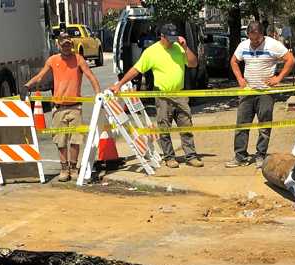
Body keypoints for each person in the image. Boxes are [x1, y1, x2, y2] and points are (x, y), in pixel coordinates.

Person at [109, 23, 202, 169]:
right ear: (162, 36)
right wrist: (119, 84)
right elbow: (136, 69)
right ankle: (169, 157)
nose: (172, 41)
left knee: (186, 125)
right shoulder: (151, 52)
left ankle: (191, 155)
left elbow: (193, 64)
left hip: (180, 94)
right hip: (162, 95)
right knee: (164, 127)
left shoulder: (179, 47)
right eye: (169, 38)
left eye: (174, 37)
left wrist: (185, 47)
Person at [25, 27, 102, 182]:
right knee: (60, 140)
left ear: (71, 44)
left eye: (68, 44)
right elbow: (40, 77)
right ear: (59, 45)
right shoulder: (53, 60)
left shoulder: (79, 59)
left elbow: (90, 76)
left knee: (75, 140)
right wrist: (27, 86)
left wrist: (98, 94)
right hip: (58, 108)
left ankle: (73, 168)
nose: (66, 47)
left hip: (75, 107)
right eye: (63, 44)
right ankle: (63, 168)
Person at [227, 22, 295, 168]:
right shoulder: (243, 45)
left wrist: (278, 78)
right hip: (248, 92)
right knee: (241, 125)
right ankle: (240, 156)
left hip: (265, 93)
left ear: (262, 35)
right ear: (248, 35)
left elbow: (290, 59)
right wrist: (240, 78)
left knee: (264, 126)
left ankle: (260, 155)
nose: (254, 42)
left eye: (257, 40)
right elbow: (233, 61)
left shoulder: (273, 45)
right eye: (252, 39)